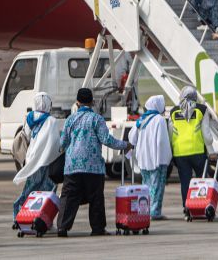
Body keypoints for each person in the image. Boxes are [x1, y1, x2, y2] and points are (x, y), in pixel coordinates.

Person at [58, 88, 130, 237]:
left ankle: (62, 227)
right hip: (93, 167)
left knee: (68, 197)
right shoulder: (97, 119)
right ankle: (97, 228)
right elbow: (106, 140)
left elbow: (62, 143)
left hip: (72, 166)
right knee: (96, 198)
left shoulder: (70, 120)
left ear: (77, 103)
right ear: (91, 102)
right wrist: (125, 145)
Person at [168, 86, 216, 217]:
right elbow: (206, 134)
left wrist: (171, 153)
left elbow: (170, 134)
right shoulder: (201, 109)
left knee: (185, 182)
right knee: (203, 180)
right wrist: (211, 151)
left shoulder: (173, 112)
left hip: (180, 153)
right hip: (197, 152)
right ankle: (204, 206)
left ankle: (187, 208)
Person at [12, 92, 60, 221]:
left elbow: (26, 136)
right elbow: (55, 142)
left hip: (32, 158)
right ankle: (43, 217)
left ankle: (19, 213)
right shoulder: (52, 121)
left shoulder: (29, 118)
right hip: (46, 160)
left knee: (31, 187)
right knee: (48, 190)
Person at [128, 96, 172, 220]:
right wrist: (166, 158)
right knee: (157, 187)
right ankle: (155, 212)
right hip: (157, 159)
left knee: (145, 186)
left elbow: (132, 138)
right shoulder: (159, 120)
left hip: (143, 159)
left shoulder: (142, 119)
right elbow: (161, 141)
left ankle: (144, 210)